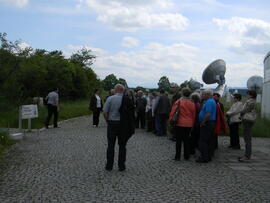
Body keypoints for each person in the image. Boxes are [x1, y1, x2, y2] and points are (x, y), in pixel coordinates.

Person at [103, 84, 135, 171]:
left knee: (111, 145)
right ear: (123, 90)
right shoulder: (127, 99)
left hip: (112, 123)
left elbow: (105, 112)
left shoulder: (110, 98)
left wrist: (107, 121)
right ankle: (121, 166)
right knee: (122, 146)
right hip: (123, 125)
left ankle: (109, 166)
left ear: (116, 89)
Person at [169, 88, 196, 161]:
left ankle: (177, 156)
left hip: (180, 123)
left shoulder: (179, 101)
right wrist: (192, 123)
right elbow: (194, 114)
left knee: (178, 141)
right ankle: (186, 156)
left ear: (182, 93)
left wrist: (170, 120)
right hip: (189, 123)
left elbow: (173, 111)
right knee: (186, 140)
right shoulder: (192, 103)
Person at [196, 89, 216, 163]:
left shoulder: (209, 102)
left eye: (203, 94)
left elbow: (208, 114)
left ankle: (204, 157)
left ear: (207, 94)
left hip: (207, 123)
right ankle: (207, 156)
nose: (202, 95)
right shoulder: (211, 101)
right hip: (209, 123)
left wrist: (203, 122)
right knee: (207, 141)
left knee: (202, 141)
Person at [238, 90, 257, 162]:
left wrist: (241, 113)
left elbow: (245, 110)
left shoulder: (251, 102)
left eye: (248, 94)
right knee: (247, 138)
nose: (246, 95)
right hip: (247, 120)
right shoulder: (250, 101)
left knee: (247, 139)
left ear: (251, 95)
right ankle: (246, 155)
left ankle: (247, 156)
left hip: (248, 120)